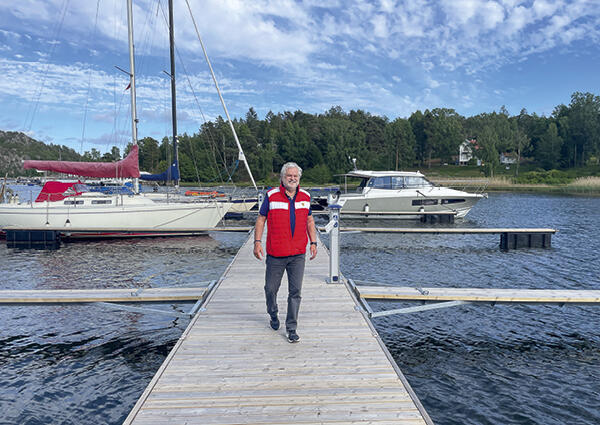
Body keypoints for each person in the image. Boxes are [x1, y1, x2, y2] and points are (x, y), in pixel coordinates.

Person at [253, 162, 317, 343]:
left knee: (295, 291)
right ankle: (273, 314)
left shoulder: (305, 196)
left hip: (298, 254)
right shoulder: (272, 196)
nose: (293, 178)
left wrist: (313, 242)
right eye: (289, 175)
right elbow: (261, 219)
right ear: (282, 177)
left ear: (299, 178)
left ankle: (291, 328)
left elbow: (310, 221)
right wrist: (257, 242)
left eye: (296, 176)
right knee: (270, 289)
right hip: (276, 254)